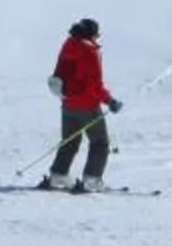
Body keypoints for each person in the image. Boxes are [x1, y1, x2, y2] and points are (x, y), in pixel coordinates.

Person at [41, 18, 121, 192]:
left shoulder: (68, 44)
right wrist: (110, 101)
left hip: (67, 103)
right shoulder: (90, 52)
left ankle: (58, 175)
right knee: (100, 142)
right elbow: (95, 85)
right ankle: (92, 179)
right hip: (87, 105)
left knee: (69, 140)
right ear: (92, 34)